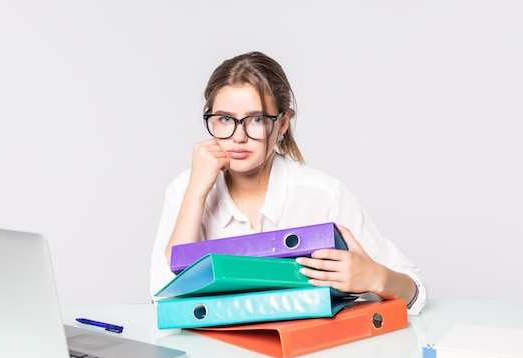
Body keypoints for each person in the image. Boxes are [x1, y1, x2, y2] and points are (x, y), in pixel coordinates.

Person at [150, 51, 426, 315]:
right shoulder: (185, 188)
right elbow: (161, 294)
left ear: (282, 124)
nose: (238, 136)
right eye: (224, 119)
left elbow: (415, 292)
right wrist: (196, 193)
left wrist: (376, 278)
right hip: (210, 354)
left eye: (256, 119)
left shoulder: (323, 194)